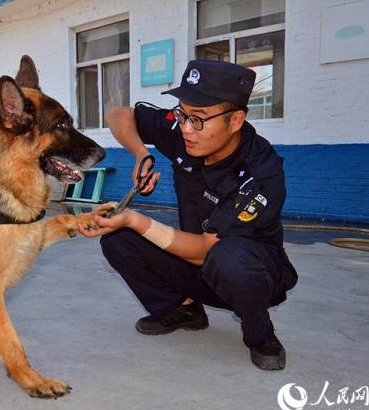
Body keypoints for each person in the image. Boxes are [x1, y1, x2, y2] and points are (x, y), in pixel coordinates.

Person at [78, 59, 298, 371]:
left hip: (249, 275)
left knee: (228, 258)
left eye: (198, 119)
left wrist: (135, 219)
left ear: (235, 120)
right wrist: (142, 153)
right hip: (199, 262)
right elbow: (118, 115)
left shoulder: (260, 173)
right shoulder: (184, 130)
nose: (185, 127)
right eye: (182, 114)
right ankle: (184, 310)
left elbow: (205, 251)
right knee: (118, 239)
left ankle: (260, 335)